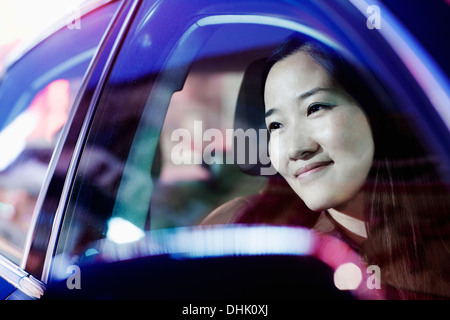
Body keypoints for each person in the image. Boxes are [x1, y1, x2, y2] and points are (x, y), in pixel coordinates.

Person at [202, 35, 450, 299]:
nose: (296, 148)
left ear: (375, 110)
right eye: (276, 125)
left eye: (315, 108)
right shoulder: (245, 236)